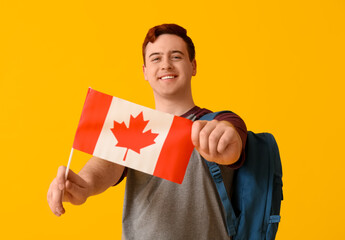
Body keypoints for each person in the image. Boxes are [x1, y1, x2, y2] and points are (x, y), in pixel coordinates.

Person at [47, 23, 247, 240]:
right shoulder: (134, 129)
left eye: (176, 56)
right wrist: (82, 184)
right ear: (145, 71)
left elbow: (231, 139)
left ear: (194, 65)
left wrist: (226, 138)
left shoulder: (222, 121)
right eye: (156, 58)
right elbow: (106, 163)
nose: (166, 65)